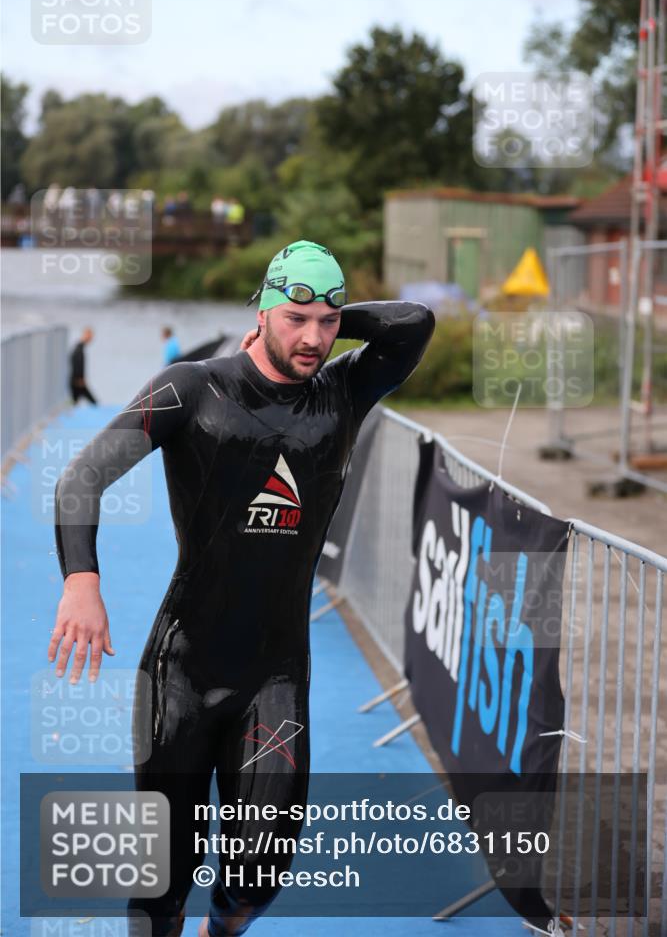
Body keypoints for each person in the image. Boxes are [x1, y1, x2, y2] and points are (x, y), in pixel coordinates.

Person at [50, 240, 434, 937]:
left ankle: (221, 930)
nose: (314, 337)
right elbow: (81, 477)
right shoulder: (192, 388)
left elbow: (412, 324)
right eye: (296, 319)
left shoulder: (344, 392)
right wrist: (81, 581)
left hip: (275, 674)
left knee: (260, 871)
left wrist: (320, 307)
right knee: (161, 876)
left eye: (327, 322)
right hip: (182, 669)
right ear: (259, 310)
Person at [69, 327, 98, 404]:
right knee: (94, 403)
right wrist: (79, 378)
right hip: (77, 381)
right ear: (85, 335)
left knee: (74, 402)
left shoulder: (80, 347)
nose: (91, 338)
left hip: (77, 380)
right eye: (90, 336)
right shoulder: (78, 348)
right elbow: (75, 362)